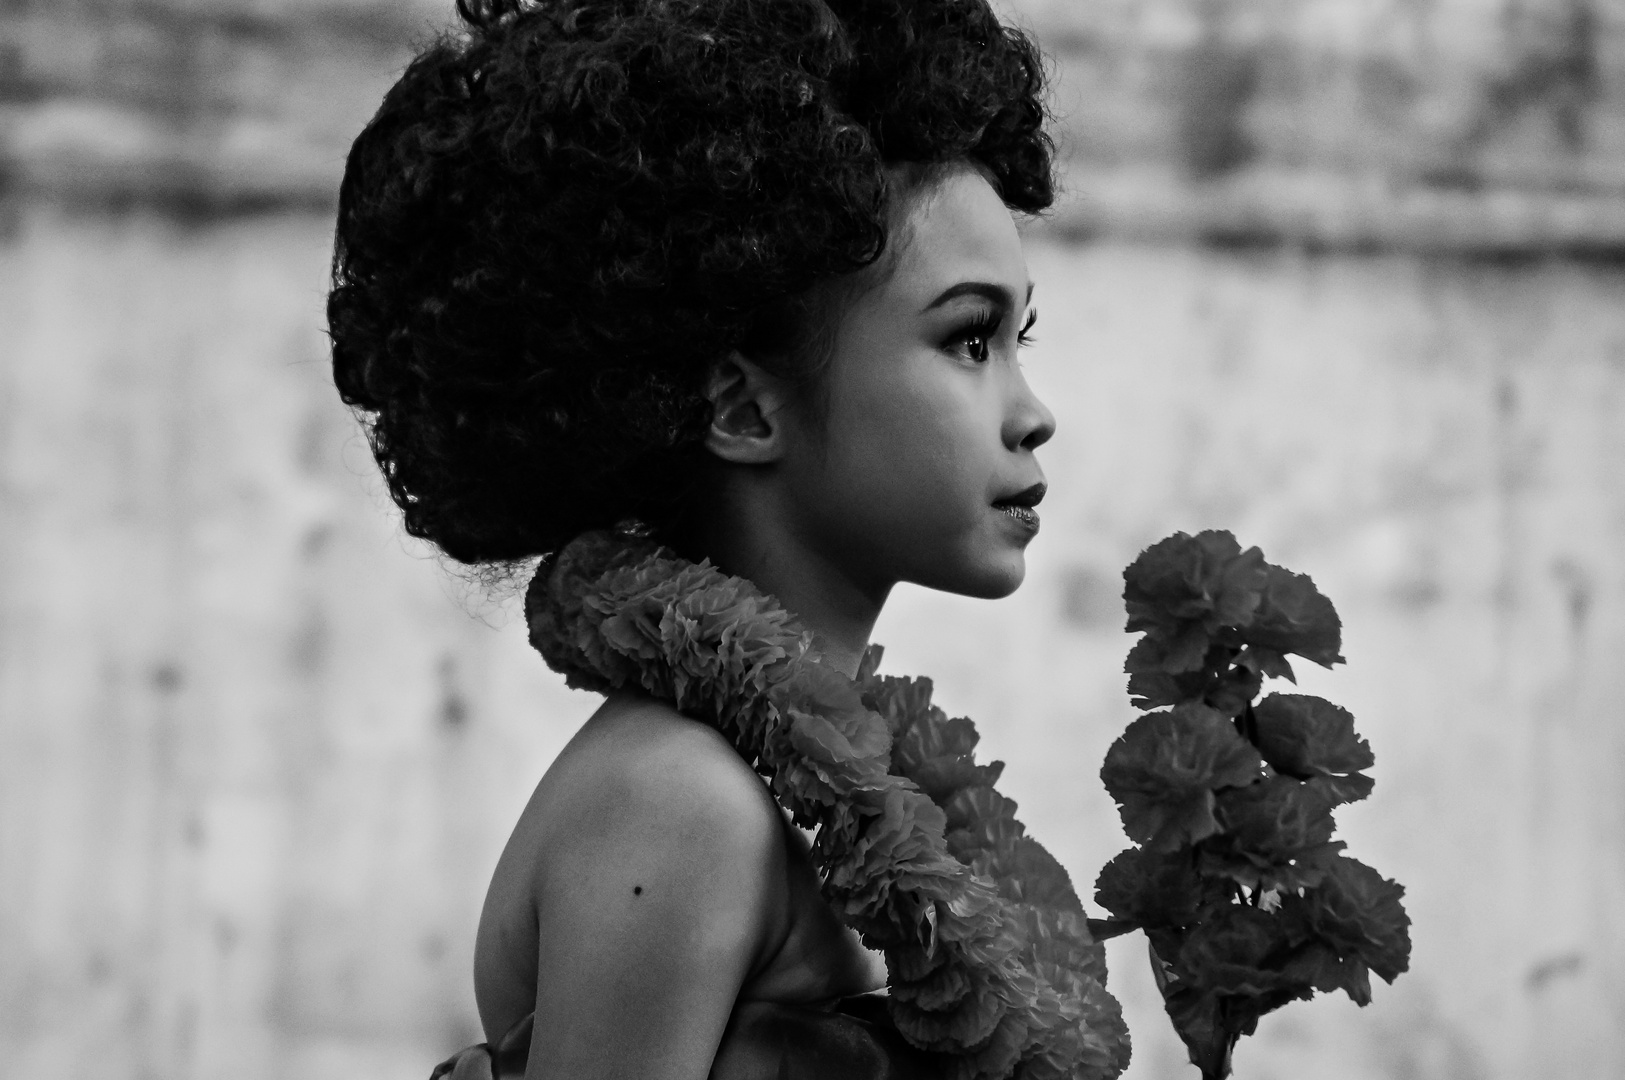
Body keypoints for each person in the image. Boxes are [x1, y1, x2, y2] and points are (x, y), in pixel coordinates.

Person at [328, 2, 1126, 1077]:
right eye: (966, 338)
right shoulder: (681, 801)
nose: (1031, 412)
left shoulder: (818, 784)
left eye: (1015, 337)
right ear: (743, 412)